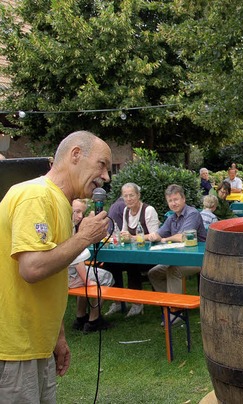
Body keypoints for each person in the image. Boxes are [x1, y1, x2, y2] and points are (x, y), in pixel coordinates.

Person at [0, 130, 111, 402]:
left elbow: (52, 275)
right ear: (75, 155)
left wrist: (58, 337)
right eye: (102, 165)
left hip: (38, 344)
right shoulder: (35, 196)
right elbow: (33, 269)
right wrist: (83, 237)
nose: (106, 177)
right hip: (14, 347)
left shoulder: (60, 202)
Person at [147, 184, 206, 314]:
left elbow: (183, 237)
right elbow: (159, 233)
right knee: (154, 273)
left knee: (174, 271)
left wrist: (164, 239)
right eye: (170, 201)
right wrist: (152, 236)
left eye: (176, 199)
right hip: (179, 257)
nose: (173, 203)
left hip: (198, 259)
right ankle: (169, 303)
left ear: (183, 199)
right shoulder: (172, 217)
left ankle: (175, 312)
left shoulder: (192, 214)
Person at [104, 182, 160, 317]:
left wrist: (133, 237)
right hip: (134, 252)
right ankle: (117, 301)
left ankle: (137, 303)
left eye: (132, 195)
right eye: (125, 196)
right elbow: (124, 231)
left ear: (138, 195)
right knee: (110, 263)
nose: (128, 199)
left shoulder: (148, 210)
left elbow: (155, 235)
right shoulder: (126, 211)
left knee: (131, 264)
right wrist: (118, 236)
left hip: (151, 254)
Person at [69, 199, 115, 333]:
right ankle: (94, 320)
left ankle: (80, 317)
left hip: (63, 273)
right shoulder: (69, 228)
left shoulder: (68, 225)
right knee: (107, 277)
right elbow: (77, 259)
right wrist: (87, 281)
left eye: (81, 213)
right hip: (68, 276)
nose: (79, 216)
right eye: (76, 212)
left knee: (90, 275)